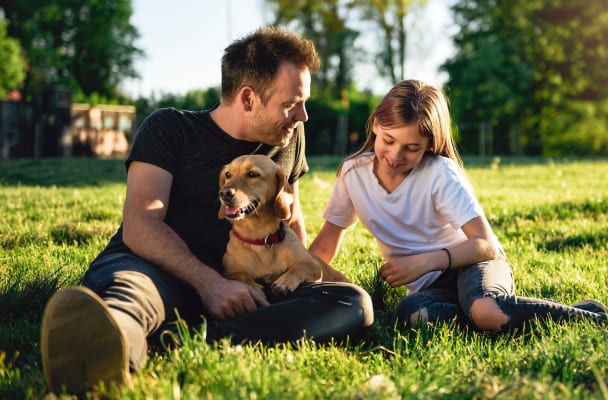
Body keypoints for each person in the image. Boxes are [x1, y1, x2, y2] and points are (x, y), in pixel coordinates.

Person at [40, 27, 374, 394]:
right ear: (248, 98)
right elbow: (140, 225)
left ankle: (184, 341)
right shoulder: (169, 128)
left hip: (247, 282)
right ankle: (104, 347)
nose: (304, 116)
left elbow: (288, 218)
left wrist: (302, 276)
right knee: (130, 296)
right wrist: (210, 283)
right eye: (292, 103)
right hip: (158, 269)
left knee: (352, 302)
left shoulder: (289, 136)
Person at [308, 79, 608, 334]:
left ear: (429, 146)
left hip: (472, 264)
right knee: (415, 316)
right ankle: (563, 312)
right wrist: (298, 281)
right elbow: (326, 241)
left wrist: (424, 261)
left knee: (485, 312)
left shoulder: (440, 173)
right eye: (389, 140)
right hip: (431, 288)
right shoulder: (353, 174)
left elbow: (485, 246)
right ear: (375, 124)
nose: (396, 155)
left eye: (412, 148)